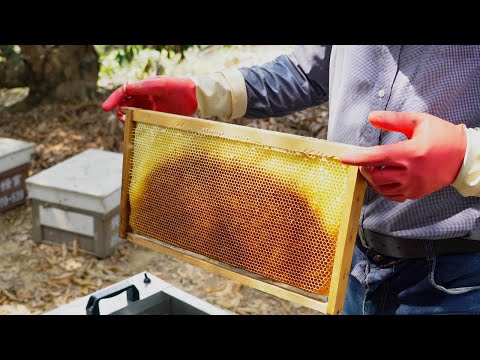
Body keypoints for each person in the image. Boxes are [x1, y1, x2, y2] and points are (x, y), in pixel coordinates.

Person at [103, 45, 480, 315]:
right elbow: (307, 72)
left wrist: (466, 156)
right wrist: (201, 94)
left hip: (458, 278)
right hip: (353, 262)